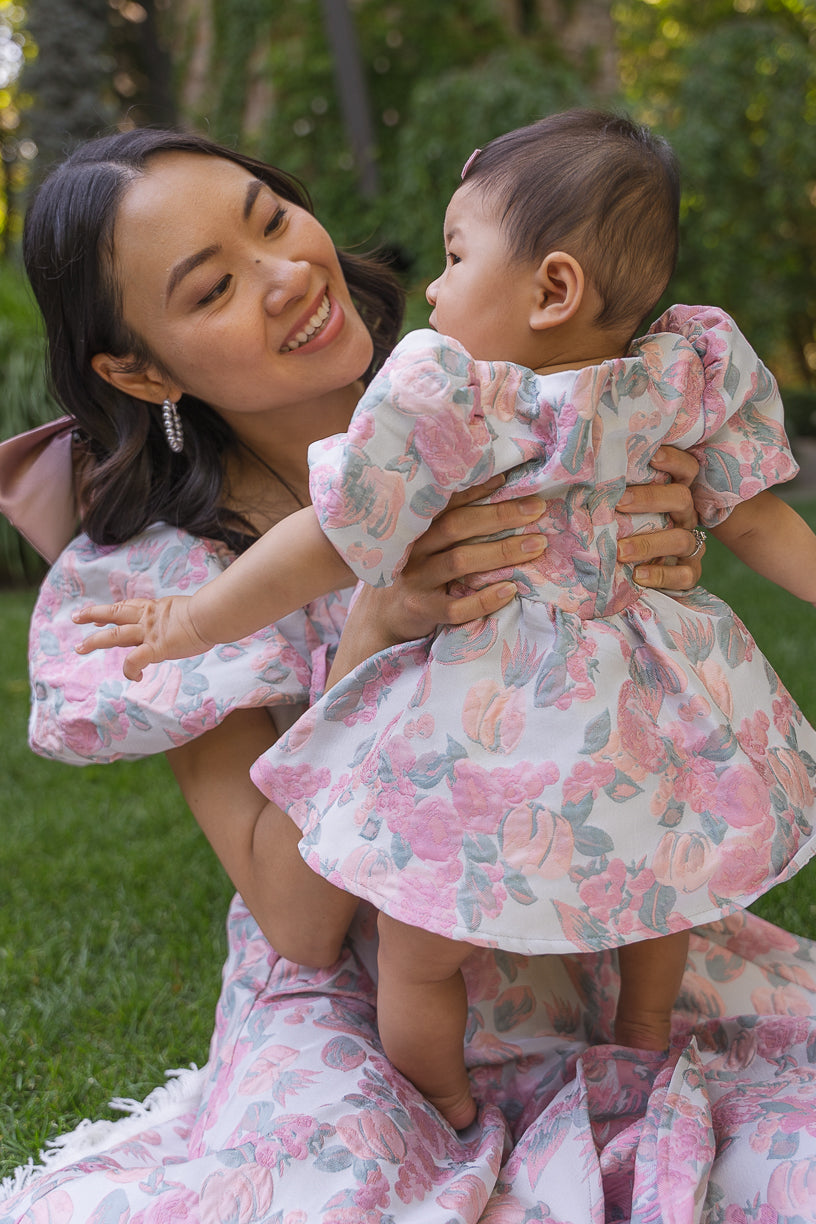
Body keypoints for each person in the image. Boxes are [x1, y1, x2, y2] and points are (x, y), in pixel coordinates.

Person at [2, 123, 815, 1224]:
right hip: (363, 984)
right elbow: (297, 921)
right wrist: (373, 625)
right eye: (213, 289)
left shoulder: (494, 387)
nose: (289, 274)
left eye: (273, 218)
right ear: (140, 368)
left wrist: (661, 545)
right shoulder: (165, 584)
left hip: (589, 893)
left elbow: (687, 517)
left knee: (779, 1148)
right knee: (354, 1196)